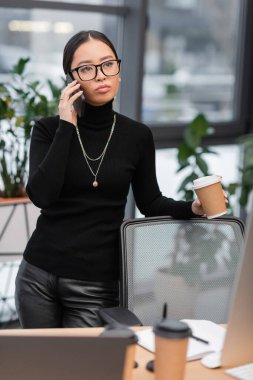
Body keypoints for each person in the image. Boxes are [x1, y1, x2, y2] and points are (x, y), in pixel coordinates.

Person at [15, 30, 206, 328]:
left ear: (118, 70)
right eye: (87, 68)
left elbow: (150, 202)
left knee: (83, 370)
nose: (101, 75)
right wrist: (67, 124)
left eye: (108, 64)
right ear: (72, 78)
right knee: (39, 367)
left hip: (95, 285)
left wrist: (190, 209)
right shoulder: (48, 129)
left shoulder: (137, 136)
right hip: (37, 275)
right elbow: (42, 195)